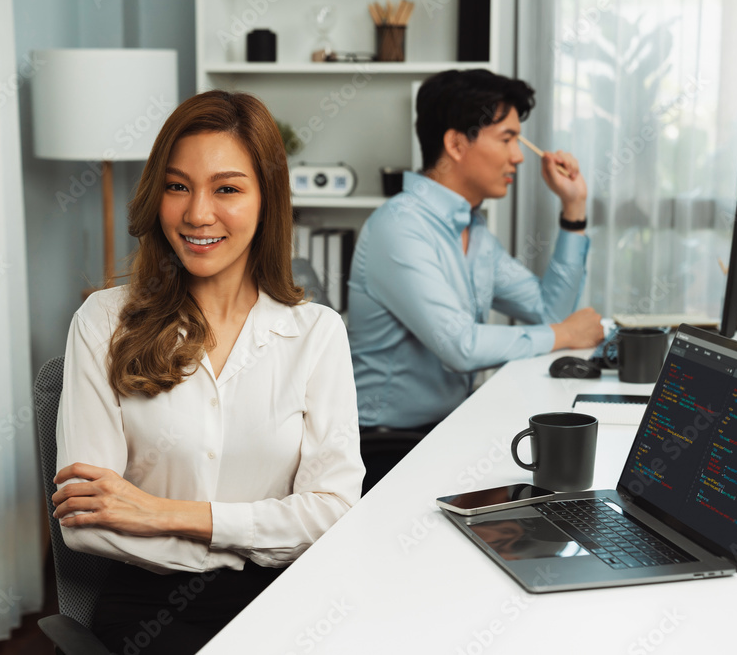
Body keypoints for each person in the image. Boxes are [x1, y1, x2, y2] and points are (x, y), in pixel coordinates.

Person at [51, 90, 364, 654]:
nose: (197, 213)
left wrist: (160, 514)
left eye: (227, 189)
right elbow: (86, 521)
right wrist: (249, 539)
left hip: (291, 601)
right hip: (149, 610)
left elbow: (335, 513)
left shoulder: (316, 334)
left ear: (267, 200)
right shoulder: (103, 322)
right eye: (177, 186)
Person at [348, 69, 604, 433]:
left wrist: (573, 208)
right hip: (387, 447)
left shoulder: (473, 230)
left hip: (445, 427)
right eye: (506, 139)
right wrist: (564, 335)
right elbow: (460, 346)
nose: (518, 157)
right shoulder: (399, 227)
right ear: (455, 145)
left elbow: (549, 313)